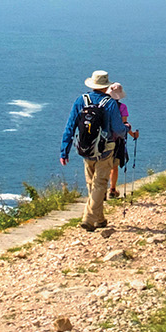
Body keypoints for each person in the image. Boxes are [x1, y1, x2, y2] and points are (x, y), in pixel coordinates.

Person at [60, 69, 129, 231]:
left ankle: (100, 219)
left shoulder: (81, 100)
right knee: (100, 184)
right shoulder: (110, 103)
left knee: (91, 183)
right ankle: (89, 218)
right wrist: (126, 129)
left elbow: (70, 126)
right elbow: (118, 129)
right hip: (105, 149)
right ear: (106, 87)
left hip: (85, 148)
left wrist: (64, 150)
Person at [106, 82, 139, 198]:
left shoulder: (102, 106)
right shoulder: (122, 107)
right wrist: (133, 134)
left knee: (102, 166)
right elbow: (124, 124)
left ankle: (101, 192)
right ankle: (112, 189)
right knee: (114, 166)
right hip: (117, 141)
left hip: (102, 140)